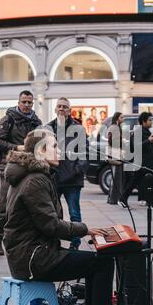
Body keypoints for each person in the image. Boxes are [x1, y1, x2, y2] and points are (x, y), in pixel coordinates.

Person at [3, 128, 129, 305]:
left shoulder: (33, 175)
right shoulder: (35, 181)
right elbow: (51, 225)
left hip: (31, 253)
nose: (59, 150)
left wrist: (85, 232)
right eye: (54, 146)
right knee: (101, 263)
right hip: (33, 259)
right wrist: (87, 230)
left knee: (97, 260)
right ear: (41, 151)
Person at [0, 91, 42, 255]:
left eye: (29, 102)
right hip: (10, 166)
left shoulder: (36, 121)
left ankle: (21, 240)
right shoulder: (8, 119)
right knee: (5, 206)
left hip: (31, 167)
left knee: (29, 205)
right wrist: (17, 147)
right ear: (18, 102)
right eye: (24, 102)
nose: (27, 105)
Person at [47, 97, 89, 250]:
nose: (61, 109)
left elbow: (85, 155)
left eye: (65, 107)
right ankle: (54, 243)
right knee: (54, 214)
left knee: (74, 214)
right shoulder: (48, 128)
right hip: (54, 180)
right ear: (55, 109)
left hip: (73, 180)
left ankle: (75, 243)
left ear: (69, 110)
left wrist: (76, 171)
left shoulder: (79, 129)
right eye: (59, 106)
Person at [119, 112, 153, 211]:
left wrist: (152, 140)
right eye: (149, 120)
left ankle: (123, 199)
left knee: (137, 182)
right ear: (143, 121)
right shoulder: (138, 132)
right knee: (152, 182)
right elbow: (134, 146)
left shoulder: (147, 131)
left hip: (147, 162)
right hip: (143, 163)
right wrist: (148, 141)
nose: (151, 122)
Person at [107, 112, 125, 205]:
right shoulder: (114, 127)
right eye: (122, 117)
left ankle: (113, 198)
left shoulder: (116, 127)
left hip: (116, 153)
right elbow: (111, 140)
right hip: (115, 154)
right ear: (117, 118)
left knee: (117, 177)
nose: (123, 119)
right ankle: (113, 199)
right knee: (116, 177)